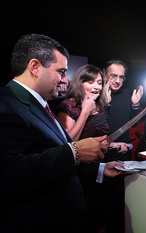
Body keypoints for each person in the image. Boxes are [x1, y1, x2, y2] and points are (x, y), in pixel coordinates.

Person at [0, 34, 123, 233]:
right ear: (34, 67)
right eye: (61, 72)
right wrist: (74, 151)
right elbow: (8, 172)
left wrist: (99, 169)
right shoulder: (6, 104)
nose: (65, 79)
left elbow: (49, 155)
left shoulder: (42, 104)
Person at [56, 64, 129, 233]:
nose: (96, 86)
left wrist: (111, 145)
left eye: (99, 82)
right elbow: (68, 145)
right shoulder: (69, 106)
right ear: (79, 83)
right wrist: (85, 112)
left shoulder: (101, 107)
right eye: (90, 82)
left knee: (101, 219)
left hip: (98, 171)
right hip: (77, 176)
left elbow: (96, 138)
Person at [103, 59, 143, 161]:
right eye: (113, 76)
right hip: (102, 153)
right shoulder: (96, 94)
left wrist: (135, 105)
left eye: (121, 77)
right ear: (104, 75)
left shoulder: (126, 94)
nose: (117, 81)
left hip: (123, 152)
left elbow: (132, 124)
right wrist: (104, 103)